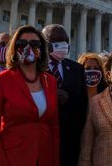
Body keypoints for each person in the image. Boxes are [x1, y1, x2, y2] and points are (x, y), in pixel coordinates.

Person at [0, 25, 60, 166]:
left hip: (44, 157)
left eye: (35, 44)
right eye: (22, 44)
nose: (28, 48)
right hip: (12, 158)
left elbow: (53, 126)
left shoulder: (50, 81)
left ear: (42, 49)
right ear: (14, 48)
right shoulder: (1, 80)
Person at [42, 24, 88, 166]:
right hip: (41, 141)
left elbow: (82, 105)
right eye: (56, 41)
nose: (63, 45)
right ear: (45, 44)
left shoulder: (77, 69)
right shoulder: (34, 69)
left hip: (70, 143)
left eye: (65, 41)